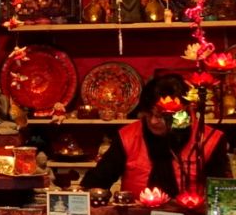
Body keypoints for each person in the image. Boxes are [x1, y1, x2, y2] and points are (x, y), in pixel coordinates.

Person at [86, 72, 227, 206]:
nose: (153, 121)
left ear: (185, 111)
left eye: (161, 115)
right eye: (148, 114)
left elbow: (219, 197)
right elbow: (97, 181)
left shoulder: (208, 139)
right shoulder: (128, 136)